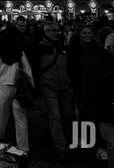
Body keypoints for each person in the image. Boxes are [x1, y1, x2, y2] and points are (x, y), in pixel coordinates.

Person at [36, 20, 74, 163]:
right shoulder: (39, 49)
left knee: (66, 114)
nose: (56, 33)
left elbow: (70, 67)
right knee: (55, 115)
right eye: (53, 30)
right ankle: (61, 146)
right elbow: (34, 68)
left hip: (65, 86)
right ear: (45, 32)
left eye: (57, 30)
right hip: (48, 87)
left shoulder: (63, 49)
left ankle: (57, 136)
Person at [0, 31, 34, 155]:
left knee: (1, 118)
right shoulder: (20, 54)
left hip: (3, 88)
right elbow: (28, 72)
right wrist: (31, 88)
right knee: (21, 118)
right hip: (18, 88)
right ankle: (23, 147)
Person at [83, 33, 114, 168]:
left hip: (108, 111)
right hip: (106, 114)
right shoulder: (97, 65)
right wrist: (91, 119)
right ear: (110, 47)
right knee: (112, 147)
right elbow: (90, 94)